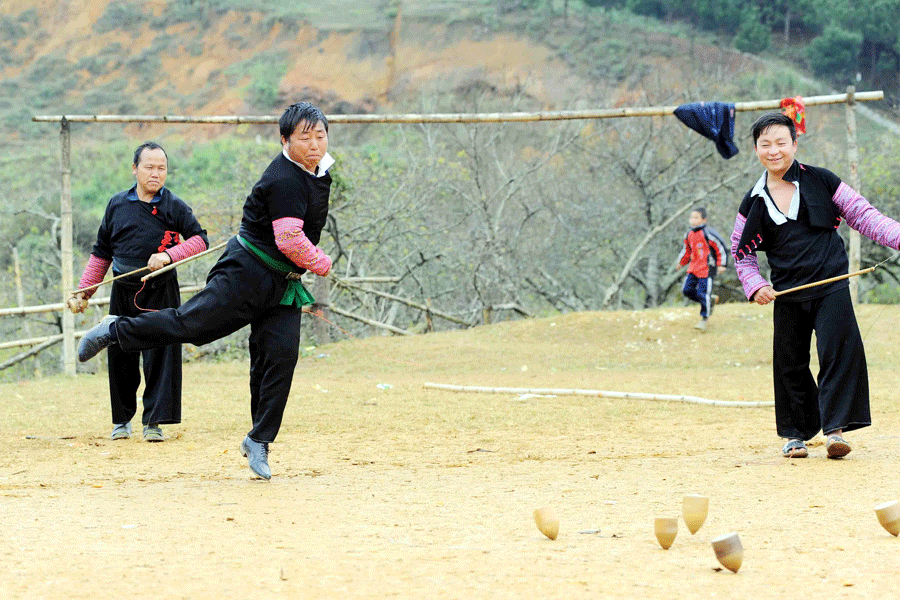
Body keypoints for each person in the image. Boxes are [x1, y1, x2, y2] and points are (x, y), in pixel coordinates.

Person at [77, 102, 334, 480]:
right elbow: (290, 238)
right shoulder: (284, 179)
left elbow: (202, 238)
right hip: (247, 271)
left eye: (320, 135)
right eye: (304, 137)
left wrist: (169, 255)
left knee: (279, 357)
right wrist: (323, 263)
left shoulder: (320, 170)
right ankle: (114, 329)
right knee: (191, 327)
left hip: (284, 283)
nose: (314, 144)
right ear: (285, 140)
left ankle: (259, 441)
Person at [731, 112, 900, 459]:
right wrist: (755, 285)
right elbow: (741, 253)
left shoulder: (822, 180)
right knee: (790, 362)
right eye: (766, 144)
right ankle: (796, 435)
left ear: (794, 143)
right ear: (756, 149)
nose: (774, 151)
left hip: (831, 287)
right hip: (788, 293)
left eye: (781, 142)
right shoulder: (754, 200)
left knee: (837, 353)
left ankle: (835, 431)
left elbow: (863, 216)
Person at [70, 142, 209, 442]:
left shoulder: (175, 206)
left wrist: (170, 256)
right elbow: (101, 252)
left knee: (161, 354)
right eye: (149, 167)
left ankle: (154, 423)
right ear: (135, 169)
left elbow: (200, 241)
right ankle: (121, 421)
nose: (155, 174)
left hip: (161, 289)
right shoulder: (117, 204)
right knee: (120, 355)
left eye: (161, 168)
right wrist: (85, 290)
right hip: (123, 288)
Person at [678, 206, 727, 331]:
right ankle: (709, 300)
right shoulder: (689, 234)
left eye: (696, 218)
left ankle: (704, 319)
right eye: (691, 217)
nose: (693, 220)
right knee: (686, 290)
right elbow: (686, 251)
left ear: (704, 220)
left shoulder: (708, 234)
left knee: (703, 293)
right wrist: (681, 263)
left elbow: (721, 247)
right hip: (693, 268)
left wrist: (722, 264)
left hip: (707, 269)